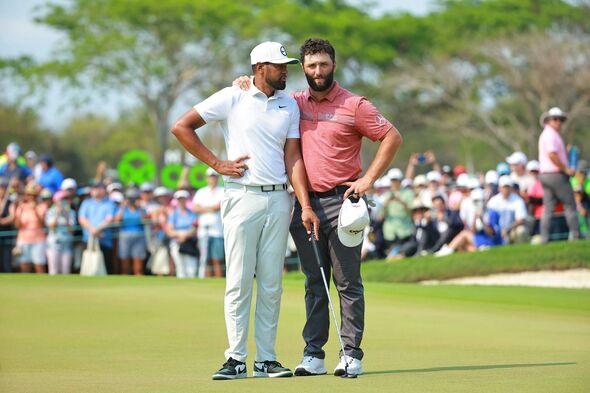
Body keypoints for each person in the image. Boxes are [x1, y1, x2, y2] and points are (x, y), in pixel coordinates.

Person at [171, 40, 319, 380]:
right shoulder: (232, 96)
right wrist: (216, 163)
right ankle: (236, 357)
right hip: (241, 196)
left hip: (280, 199)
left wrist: (305, 203)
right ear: (258, 68)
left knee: (271, 283)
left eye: (286, 66)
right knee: (238, 281)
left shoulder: (288, 104)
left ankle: (266, 358)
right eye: (278, 66)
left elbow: (293, 157)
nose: (285, 71)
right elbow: (181, 126)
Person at [287, 38, 401, 377]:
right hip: (306, 204)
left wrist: (368, 180)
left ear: (333, 65)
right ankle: (313, 355)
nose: (317, 71)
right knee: (314, 281)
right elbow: (263, 97)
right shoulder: (294, 103)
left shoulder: (355, 104)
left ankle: (351, 353)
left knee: (347, 282)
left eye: (323, 64)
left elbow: (392, 136)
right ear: (303, 68)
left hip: (345, 202)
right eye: (311, 66)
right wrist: (245, 82)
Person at [538, 107, 579, 243]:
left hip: (546, 175)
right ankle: (575, 235)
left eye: (560, 119)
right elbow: (552, 154)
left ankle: (544, 239)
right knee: (570, 205)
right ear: (549, 120)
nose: (559, 122)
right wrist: (566, 169)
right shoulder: (550, 134)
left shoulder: (550, 134)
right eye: (555, 119)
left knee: (548, 208)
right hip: (555, 175)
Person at [192, 168, 225, 278]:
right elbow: (195, 208)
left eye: (214, 176)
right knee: (206, 259)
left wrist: (204, 208)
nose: (212, 179)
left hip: (218, 231)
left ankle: (218, 281)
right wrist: (212, 208)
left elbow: (220, 206)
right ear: (207, 178)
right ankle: (207, 282)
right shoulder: (201, 192)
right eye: (210, 177)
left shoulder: (223, 190)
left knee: (217, 259)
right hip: (203, 231)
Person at [78, 182, 116, 274]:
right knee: (88, 267)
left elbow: (109, 219)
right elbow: (82, 218)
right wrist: (92, 230)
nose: (97, 191)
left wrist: (97, 230)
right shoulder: (86, 203)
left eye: (100, 188)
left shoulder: (110, 203)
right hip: (88, 239)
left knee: (106, 268)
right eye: (95, 188)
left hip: (104, 240)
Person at [14, 183, 48, 273]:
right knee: (24, 266)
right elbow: (18, 225)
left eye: (33, 195)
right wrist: (20, 211)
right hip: (23, 239)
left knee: (39, 265)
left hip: (38, 239)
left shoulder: (42, 206)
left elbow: (42, 224)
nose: (31, 197)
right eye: (28, 194)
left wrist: (35, 210)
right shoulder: (21, 207)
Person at [114, 188, 148, 275]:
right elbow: (117, 220)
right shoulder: (123, 209)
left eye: (134, 198)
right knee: (125, 266)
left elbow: (144, 220)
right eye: (130, 198)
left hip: (139, 237)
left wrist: (140, 207)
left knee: (138, 267)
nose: (132, 200)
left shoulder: (141, 210)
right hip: (125, 237)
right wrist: (122, 206)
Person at [487, 176, 529, 244]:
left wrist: (507, 229)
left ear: (511, 188)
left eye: (507, 187)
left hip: (512, 230)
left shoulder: (518, 200)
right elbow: (489, 219)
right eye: (504, 187)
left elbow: (521, 220)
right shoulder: (493, 201)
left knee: (521, 231)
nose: (506, 189)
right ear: (499, 188)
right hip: (497, 232)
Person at [166, 189, 199, 278]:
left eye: (183, 199)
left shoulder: (192, 213)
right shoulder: (173, 214)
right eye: (179, 199)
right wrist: (180, 235)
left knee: (191, 268)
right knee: (180, 268)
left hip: (190, 242)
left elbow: (195, 228)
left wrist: (185, 236)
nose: (181, 201)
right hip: (176, 242)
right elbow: (169, 231)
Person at [45, 190, 76, 274]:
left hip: (66, 244)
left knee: (65, 271)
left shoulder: (71, 212)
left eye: (66, 199)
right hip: (53, 244)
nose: (64, 201)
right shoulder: (50, 211)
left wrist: (66, 216)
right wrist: (58, 214)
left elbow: (72, 230)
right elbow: (51, 227)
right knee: (53, 271)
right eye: (62, 199)